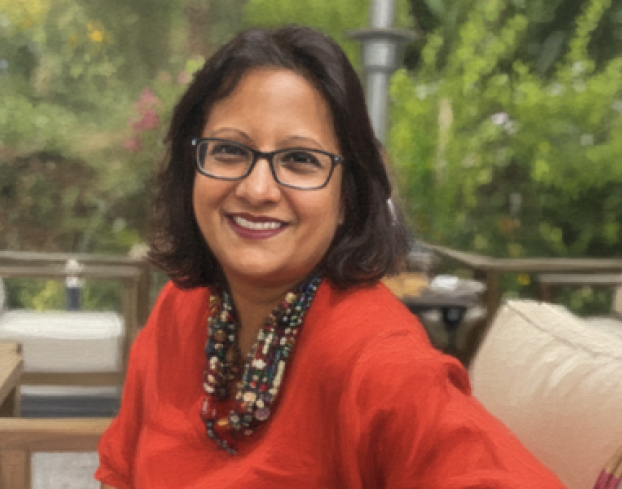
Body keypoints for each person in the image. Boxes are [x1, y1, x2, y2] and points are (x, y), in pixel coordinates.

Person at [96, 25, 564, 488]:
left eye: (300, 160)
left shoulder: (380, 364)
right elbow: (120, 474)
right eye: (229, 151)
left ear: (347, 197)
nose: (257, 189)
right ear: (191, 166)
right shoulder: (181, 309)